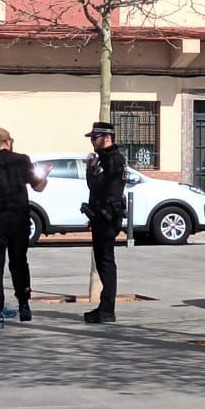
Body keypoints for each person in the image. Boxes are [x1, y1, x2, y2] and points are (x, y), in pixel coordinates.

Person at [0, 128, 48, 329]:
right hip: (19, 219)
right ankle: (24, 304)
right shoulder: (22, 160)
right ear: (8, 141)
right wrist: (45, 174)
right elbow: (38, 186)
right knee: (19, 262)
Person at [82, 120, 127, 324]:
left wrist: (90, 170)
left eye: (95, 138)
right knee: (103, 261)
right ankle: (105, 306)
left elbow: (98, 187)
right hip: (101, 216)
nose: (92, 142)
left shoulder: (112, 160)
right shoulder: (106, 158)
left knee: (106, 262)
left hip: (107, 217)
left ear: (106, 138)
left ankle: (107, 309)